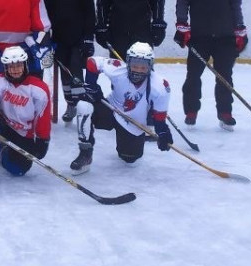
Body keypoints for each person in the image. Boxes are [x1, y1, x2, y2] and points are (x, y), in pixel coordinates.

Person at [175, 0, 247, 128]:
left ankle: (225, 113)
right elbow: (182, 1)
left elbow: (235, 5)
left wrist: (240, 29)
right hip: (199, 37)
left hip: (225, 38)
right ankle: (191, 111)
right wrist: (182, 25)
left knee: (225, 77)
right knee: (193, 76)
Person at [70, 42, 173, 174]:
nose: (138, 70)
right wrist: (91, 86)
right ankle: (85, 154)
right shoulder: (119, 69)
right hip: (110, 110)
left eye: (143, 67)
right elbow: (92, 62)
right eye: (135, 65)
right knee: (84, 105)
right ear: (128, 63)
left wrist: (163, 132)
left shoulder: (160, 86)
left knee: (130, 158)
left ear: (150, 66)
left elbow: (159, 116)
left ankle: (129, 147)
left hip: (133, 123)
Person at [0, 46, 53, 183]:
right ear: (5, 67)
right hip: (2, 125)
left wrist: (43, 139)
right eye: (11, 66)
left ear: (25, 65)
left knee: (18, 170)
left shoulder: (39, 89)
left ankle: (1, 150)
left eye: (18, 65)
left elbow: (43, 117)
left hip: (23, 133)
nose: (15, 70)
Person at [42, 0, 95, 123]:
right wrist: (46, 40)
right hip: (59, 41)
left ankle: (81, 106)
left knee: (76, 73)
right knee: (65, 75)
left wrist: (88, 39)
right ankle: (71, 105)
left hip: (78, 41)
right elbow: (45, 19)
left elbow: (90, 16)